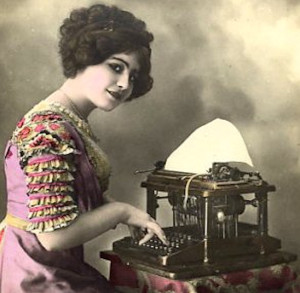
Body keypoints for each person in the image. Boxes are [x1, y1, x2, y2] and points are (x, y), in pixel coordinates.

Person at [0, 4, 167, 292]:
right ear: (85, 56)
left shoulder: (69, 121)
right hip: (36, 272)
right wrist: (121, 212)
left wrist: (125, 212)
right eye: (116, 67)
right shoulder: (48, 129)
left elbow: (75, 192)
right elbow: (54, 237)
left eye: (133, 76)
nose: (125, 83)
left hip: (52, 265)